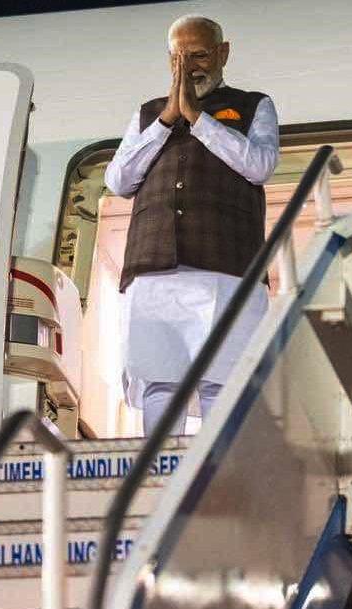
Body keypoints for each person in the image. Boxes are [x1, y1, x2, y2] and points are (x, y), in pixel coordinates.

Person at [104, 15, 280, 437]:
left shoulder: (255, 105)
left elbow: (259, 166)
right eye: (179, 58)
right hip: (153, 270)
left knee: (224, 379)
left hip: (227, 269)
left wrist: (199, 119)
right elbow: (119, 180)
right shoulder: (149, 113)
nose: (190, 68)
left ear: (223, 53)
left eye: (199, 55)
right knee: (161, 379)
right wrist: (168, 119)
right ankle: (159, 476)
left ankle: (221, 475)